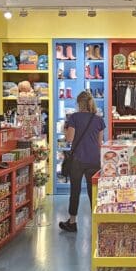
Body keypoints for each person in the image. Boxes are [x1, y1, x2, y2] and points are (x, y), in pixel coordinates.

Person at [59, 91, 106, 232]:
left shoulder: (74, 118)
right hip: (94, 159)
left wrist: (64, 129)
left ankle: (72, 222)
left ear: (79, 103)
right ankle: (96, 222)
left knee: (75, 191)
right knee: (94, 191)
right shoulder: (98, 120)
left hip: (78, 159)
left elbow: (69, 139)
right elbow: (99, 143)